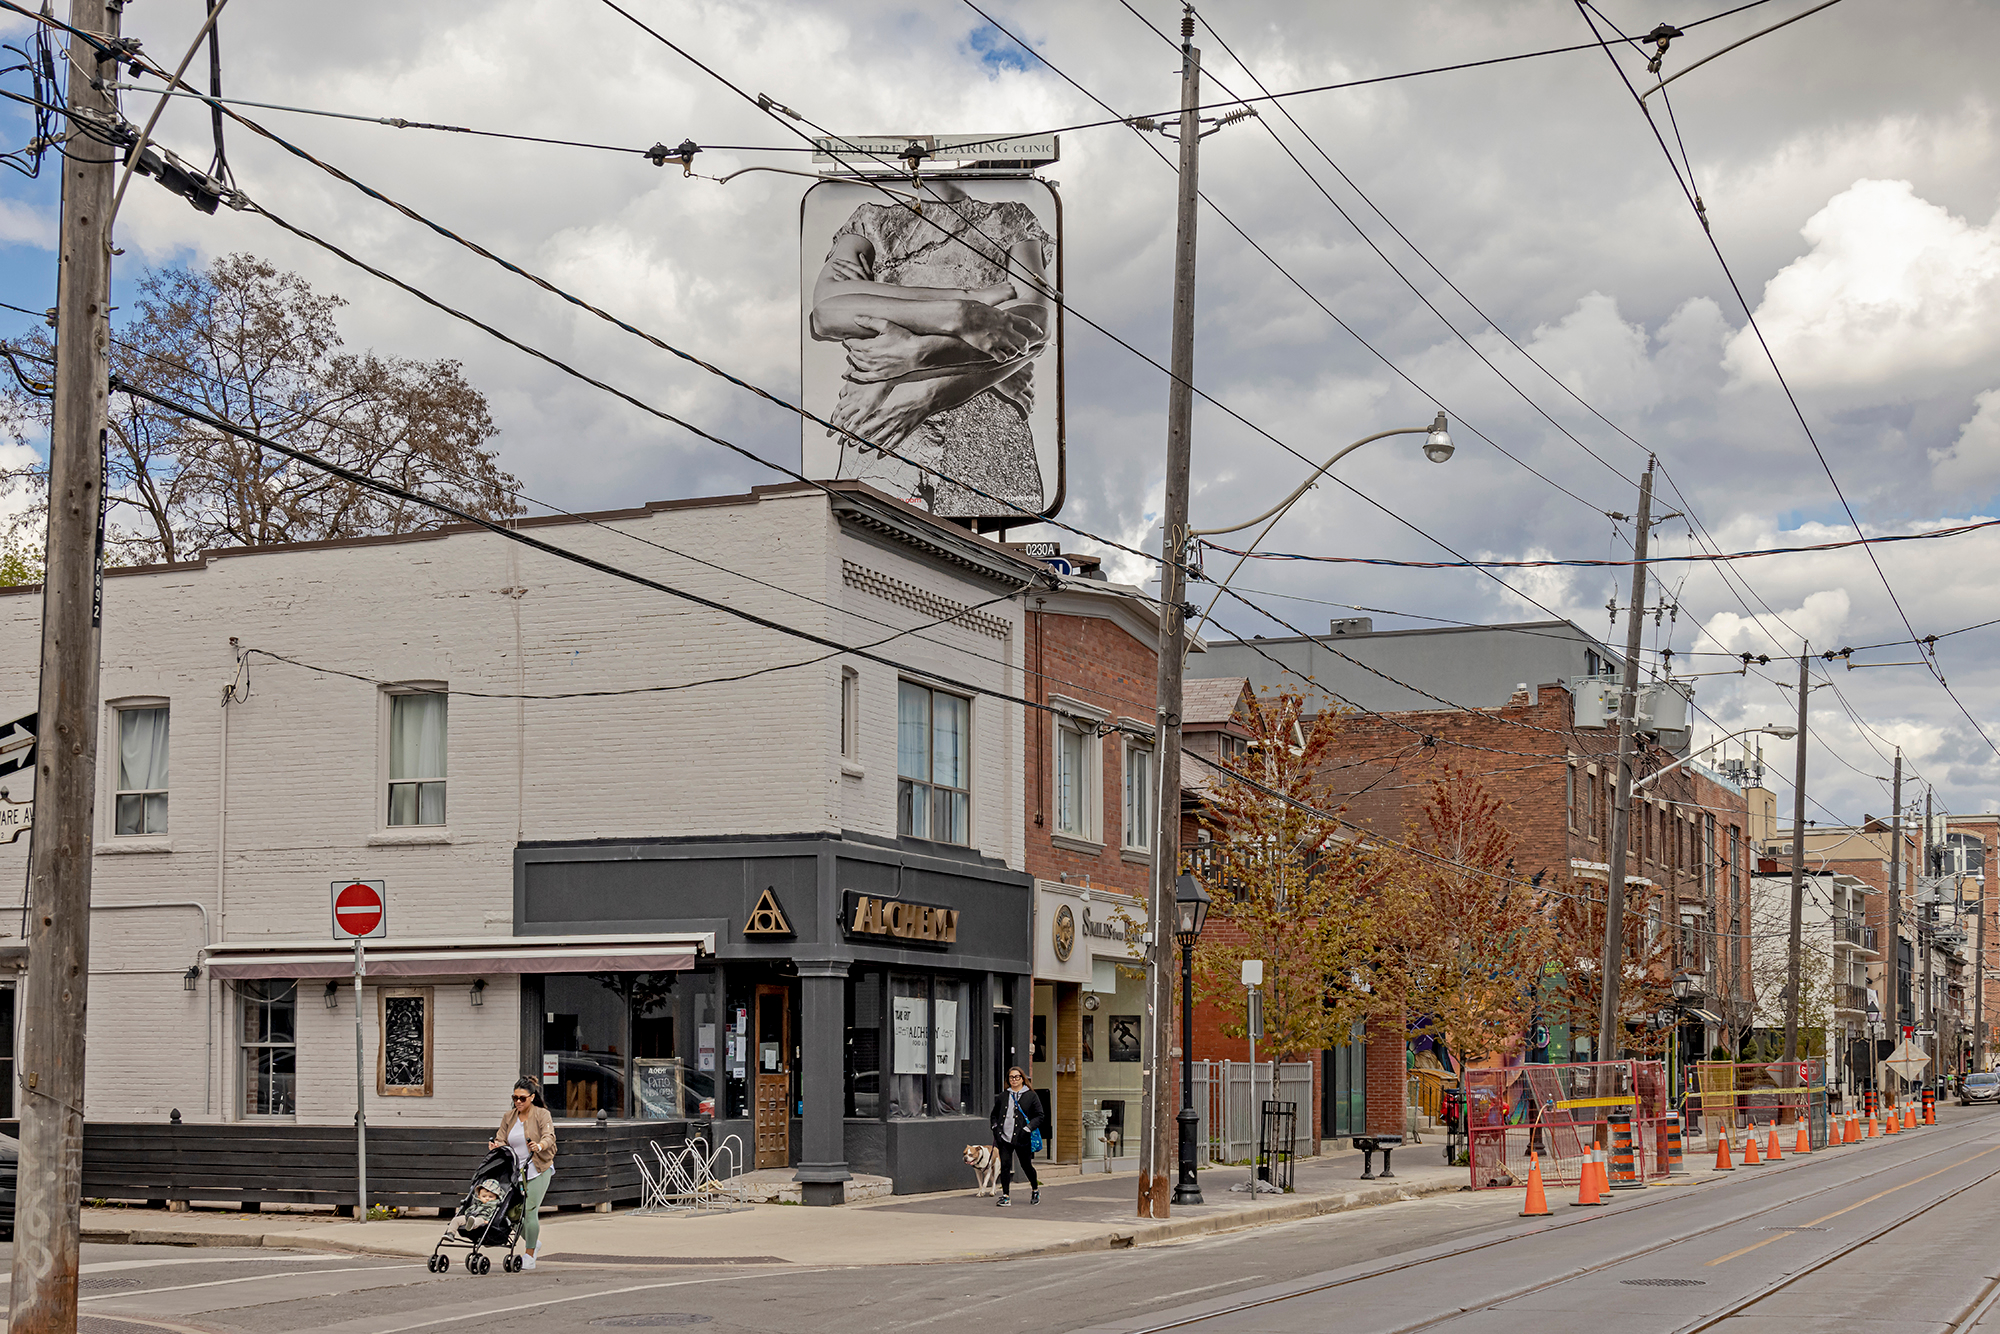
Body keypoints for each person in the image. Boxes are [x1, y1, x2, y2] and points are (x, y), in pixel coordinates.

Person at [808, 181, 1054, 517]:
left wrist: (921, 362)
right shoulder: (869, 222)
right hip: (883, 417)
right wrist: (966, 308)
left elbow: (1035, 322)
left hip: (972, 421)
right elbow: (827, 313)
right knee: (870, 548)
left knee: (982, 557)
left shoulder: (1008, 218)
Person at [490, 1076, 556, 1268]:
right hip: (515, 1172)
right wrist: (496, 1145)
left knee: (530, 1210)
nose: (518, 1102)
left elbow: (549, 1136)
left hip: (538, 1169)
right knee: (511, 1213)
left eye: (522, 1098)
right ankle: (534, 1242)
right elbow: (501, 1138)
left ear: (532, 1097)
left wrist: (540, 1145)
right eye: (515, 1098)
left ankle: (529, 1255)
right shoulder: (508, 1117)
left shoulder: (542, 1114)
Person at [988, 1065, 1046, 1207]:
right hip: (1004, 1137)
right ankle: (1006, 1196)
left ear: (1022, 1079)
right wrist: (995, 1128)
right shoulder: (1003, 1096)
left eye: (1017, 1077)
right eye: (1011, 1077)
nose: (1014, 1080)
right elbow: (994, 1115)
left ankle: (1035, 1189)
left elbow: (1040, 1115)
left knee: (1026, 1166)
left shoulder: (1031, 1096)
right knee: (1005, 1166)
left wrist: (1028, 1128)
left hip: (1022, 1138)